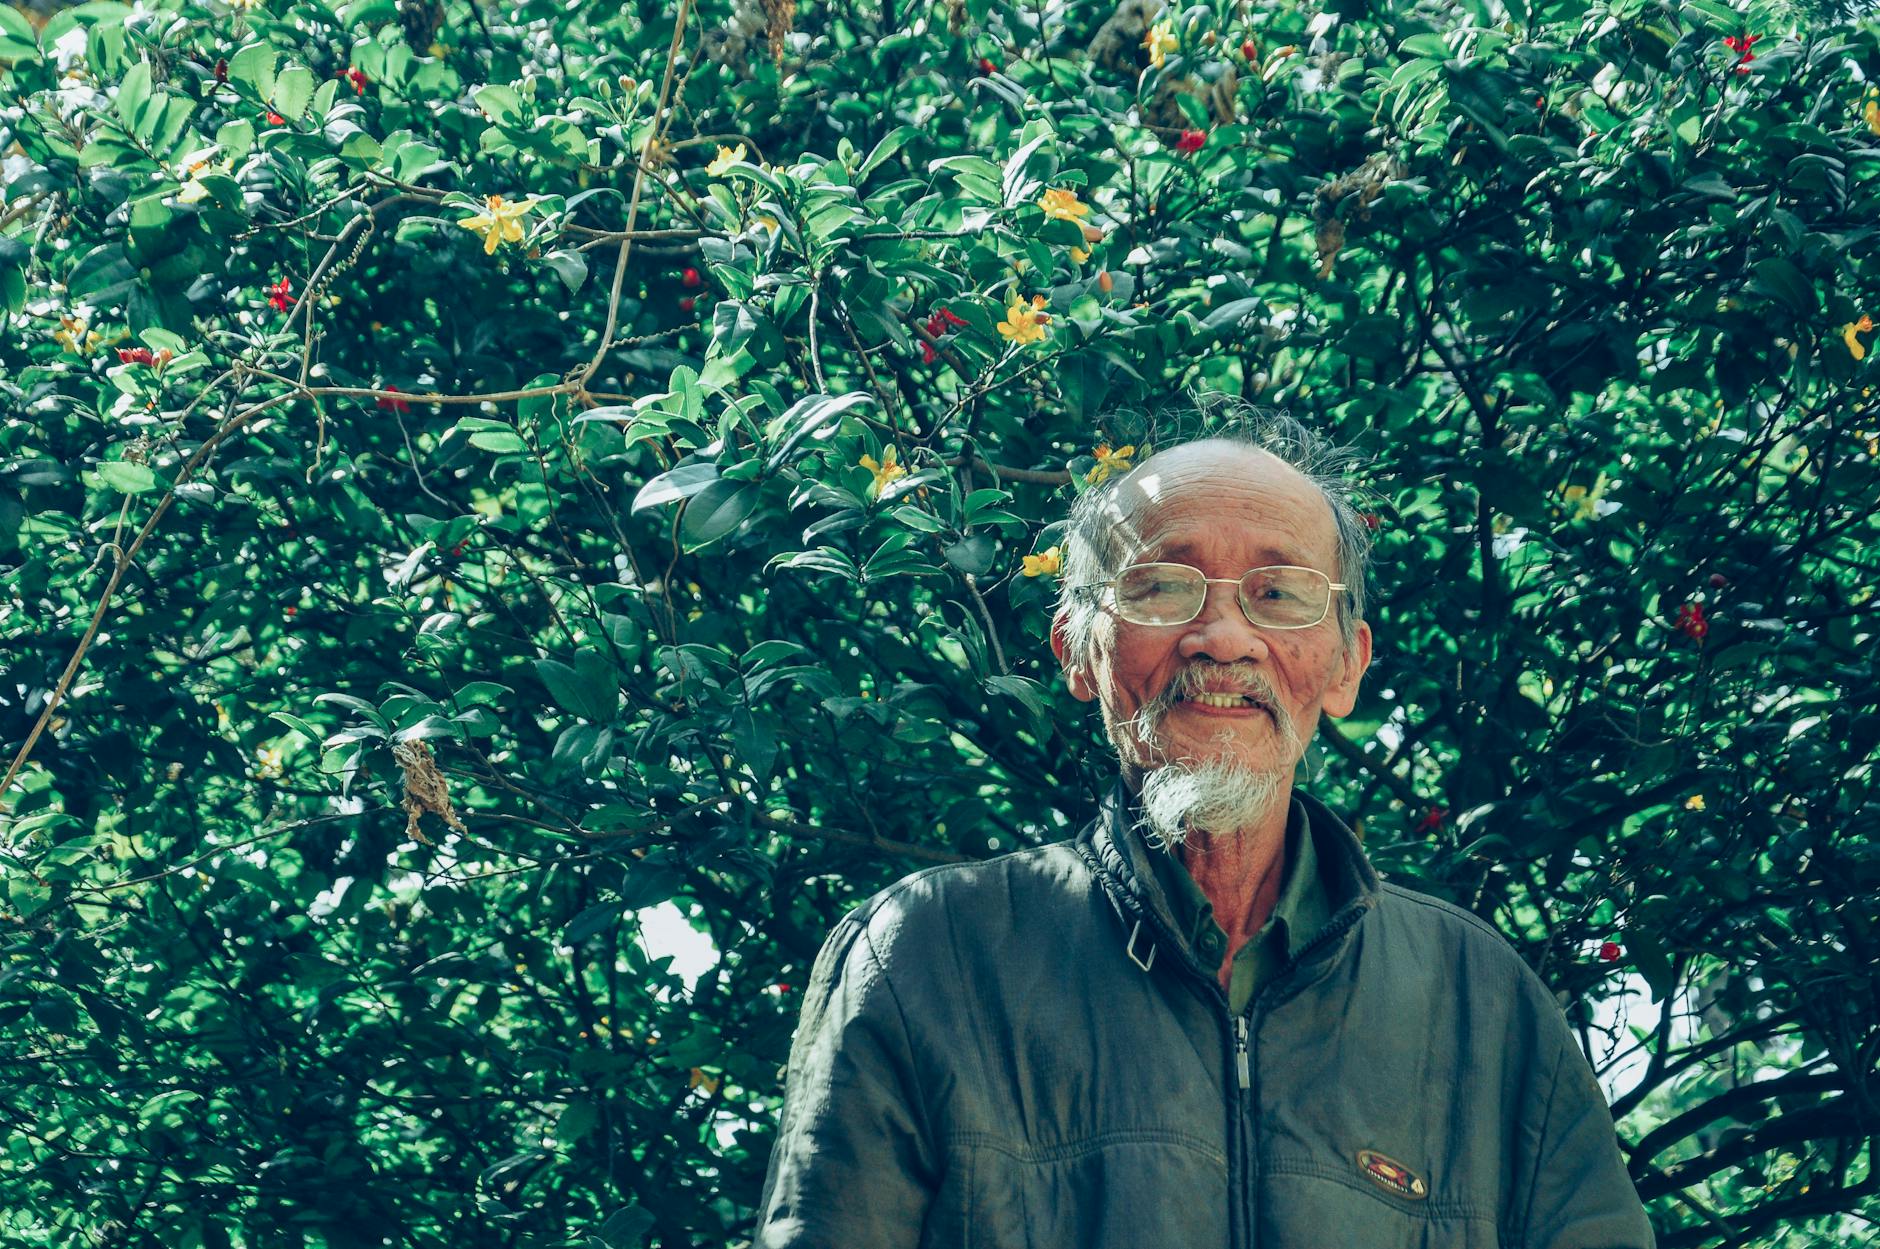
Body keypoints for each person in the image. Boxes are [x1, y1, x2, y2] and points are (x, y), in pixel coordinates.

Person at [754, 415, 1655, 1248]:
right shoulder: (927, 957)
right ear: (1078, 649)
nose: (1222, 637)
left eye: (1279, 592)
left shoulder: (1483, 1004)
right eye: (1161, 586)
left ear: (1346, 664)